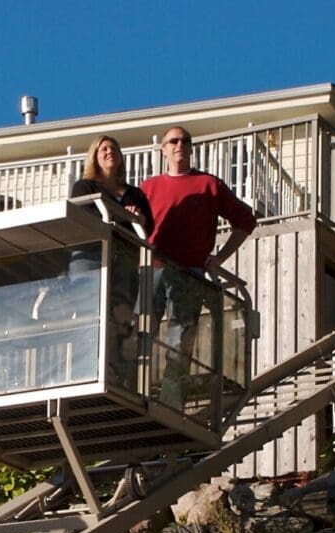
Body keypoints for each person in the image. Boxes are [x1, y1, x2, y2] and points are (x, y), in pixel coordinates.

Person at [139, 125, 257, 410]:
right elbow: (129, 223)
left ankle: (170, 400)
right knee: (141, 333)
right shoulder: (148, 187)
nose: (180, 145)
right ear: (163, 149)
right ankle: (134, 391)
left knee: (180, 339)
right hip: (151, 268)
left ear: (191, 148)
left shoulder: (208, 185)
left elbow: (246, 221)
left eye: (185, 141)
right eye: (174, 141)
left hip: (188, 272)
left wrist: (219, 259)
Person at [68, 135, 153, 385]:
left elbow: (148, 225)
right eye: (103, 149)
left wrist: (136, 218)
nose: (109, 152)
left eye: (114, 148)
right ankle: (86, 372)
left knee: (121, 316)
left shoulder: (135, 193)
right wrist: (126, 218)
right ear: (94, 156)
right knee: (90, 312)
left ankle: (116, 376)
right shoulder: (85, 187)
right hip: (91, 257)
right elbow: (87, 216)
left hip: (124, 260)